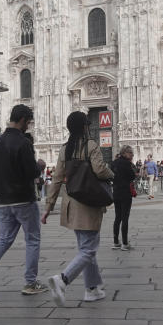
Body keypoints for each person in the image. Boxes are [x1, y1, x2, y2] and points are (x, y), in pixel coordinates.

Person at [0, 105, 48, 301]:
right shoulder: (23, 142)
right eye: (28, 122)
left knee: (3, 239)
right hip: (23, 199)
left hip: (3, 200)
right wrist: (39, 166)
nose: (27, 126)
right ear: (22, 120)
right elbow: (32, 173)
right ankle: (30, 282)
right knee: (32, 239)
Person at [43, 111, 114, 306]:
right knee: (89, 249)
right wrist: (111, 173)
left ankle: (92, 289)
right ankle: (63, 280)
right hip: (88, 202)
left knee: (86, 248)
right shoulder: (90, 145)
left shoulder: (64, 149)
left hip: (71, 203)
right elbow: (100, 170)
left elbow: (56, 179)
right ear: (85, 126)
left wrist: (48, 206)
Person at [110, 145, 137, 250]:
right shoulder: (127, 164)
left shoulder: (114, 163)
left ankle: (116, 242)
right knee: (125, 218)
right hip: (125, 193)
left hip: (116, 192)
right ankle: (125, 243)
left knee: (117, 217)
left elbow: (111, 175)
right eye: (131, 153)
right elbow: (132, 176)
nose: (132, 155)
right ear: (125, 153)